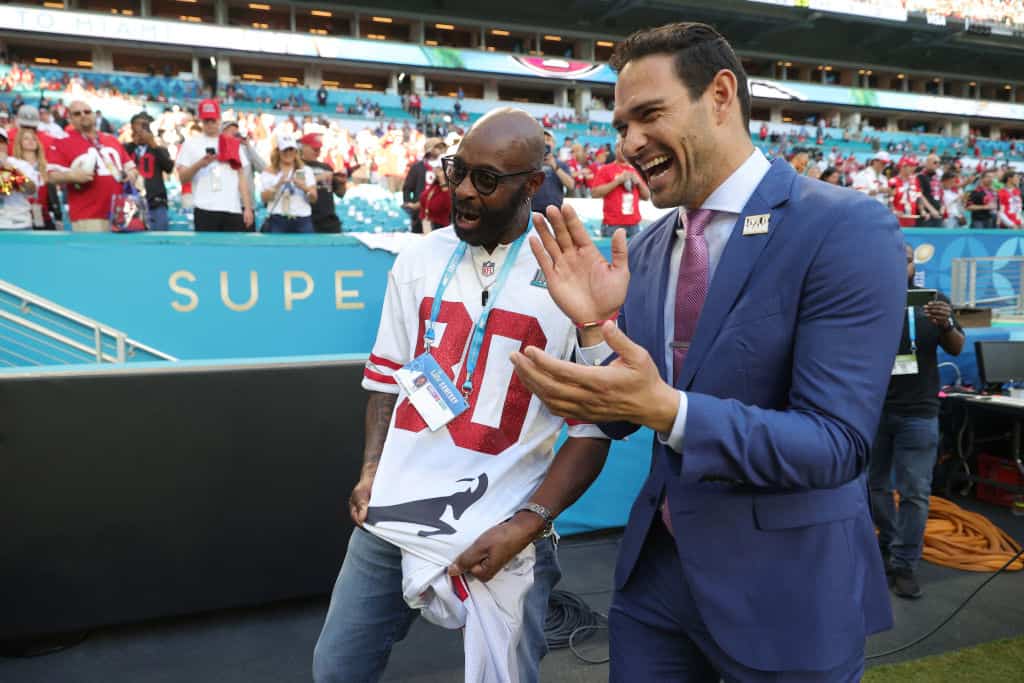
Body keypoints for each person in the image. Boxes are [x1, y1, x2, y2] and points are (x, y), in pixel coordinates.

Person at [510, 22, 905, 681]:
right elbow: (621, 409)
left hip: (789, 591)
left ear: (721, 95)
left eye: (648, 114)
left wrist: (670, 410)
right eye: (620, 125)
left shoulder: (845, 227)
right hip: (657, 583)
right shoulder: (645, 247)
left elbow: (836, 443)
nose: (629, 142)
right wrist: (593, 330)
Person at [312, 108, 610, 683]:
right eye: (458, 172)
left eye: (488, 180)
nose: (465, 192)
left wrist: (527, 523)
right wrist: (372, 467)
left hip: (502, 519)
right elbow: (385, 380)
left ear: (531, 185)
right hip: (395, 510)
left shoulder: (570, 275)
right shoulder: (419, 259)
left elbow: (595, 430)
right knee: (336, 667)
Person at [869, 244, 964, 599]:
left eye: (907, 260)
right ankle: (887, 547)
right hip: (874, 410)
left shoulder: (934, 301)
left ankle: (905, 564)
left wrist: (948, 323)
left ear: (914, 265)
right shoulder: (868, 295)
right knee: (874, 485)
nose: (901, 265)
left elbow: (956, 347)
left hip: (919, 412)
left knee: (915, 493)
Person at [46, 100, 139, 232]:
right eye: (77, 113)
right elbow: (50, 176)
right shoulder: (62, 142)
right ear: (70, 119)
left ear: (94, 115)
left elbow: (131, 168)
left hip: (121, 215)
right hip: (88, 216)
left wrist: (130, 175)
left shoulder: (111, 139)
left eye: (87, 112)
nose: (83, 115)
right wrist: (73, 176)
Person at [175, 99, 254, 232]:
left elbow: (242, 178)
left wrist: (247, 207)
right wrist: (200, 164)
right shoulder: (190, 144)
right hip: (205, 209)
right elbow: (183, 178)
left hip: (232, 208)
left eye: (213, 120)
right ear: (201, 120)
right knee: (205, 251)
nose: (210, 124)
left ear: (219, 119)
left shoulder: (232, 143)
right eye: (207, 121)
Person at [124, 112, 174, 232]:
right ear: (132, 128)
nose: (141, 130)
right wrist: (134, 142)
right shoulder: (125, 149)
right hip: (131, 205)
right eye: (138, 126)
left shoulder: (158, 149)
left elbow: (169, 167)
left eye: (144, 126)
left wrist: (153, 143)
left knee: (159, 242)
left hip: (156, 203)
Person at [258, 134, 316, 234]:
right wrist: (278, 185)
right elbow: (264, 198)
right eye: (285, 150)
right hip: (278, 218)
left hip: (302, 218)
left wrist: (304, 187)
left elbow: (314, 198)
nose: (288, 153)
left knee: (306, 248)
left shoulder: (305, 171)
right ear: (278, 152)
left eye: (291, 149)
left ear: (296, 151)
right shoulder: (269, 172)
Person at [590, 142, 649, 238]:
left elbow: (646, 196)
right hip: (612, 225)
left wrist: (638, 183)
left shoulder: (636, 170)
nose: (624, 151)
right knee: (612, 252)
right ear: (616, 149)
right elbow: (595, 193)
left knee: (635, 252)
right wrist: (617, 182)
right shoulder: (605, 169)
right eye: (621, 148)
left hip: (633, 224)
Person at [299, 132, 346, 234]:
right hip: (307, 218)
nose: (317, 152)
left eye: (319, 149)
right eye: (314, 149)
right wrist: (319, 177)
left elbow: (340, 193)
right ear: (304, 147)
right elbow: (298, 184)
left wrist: (341, 183)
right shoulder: (298, 166)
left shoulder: (326, 167)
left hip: (328, 217)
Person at [11, 126, 56, 230]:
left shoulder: (47, 166)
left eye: (34, 138)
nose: (31, 141)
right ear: (19, 143)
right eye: (26, 138)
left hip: (44, 217)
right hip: (19, 217)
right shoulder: (13, 164)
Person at [402, 137, 446, 233]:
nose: (441, 150)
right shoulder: (417, 168)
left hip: (440, 212)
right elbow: (408, 188)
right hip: (421, 211)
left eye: (442, 147)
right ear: (429, 150)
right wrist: (409, 204)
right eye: (437, 147)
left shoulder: (444, 167)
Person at [0, 128, 39, 230]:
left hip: (20, 223)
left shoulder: (21, 165)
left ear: (7, 143)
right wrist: (5, 170)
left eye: (1, 141)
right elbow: (4, 191)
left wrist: (14, 172)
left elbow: (31, 189)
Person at [529, 130, 575, 215]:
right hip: (532, 213)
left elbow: (571, 185)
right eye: (542, 139)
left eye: (548, 139)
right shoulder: (530, 163)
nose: (545, 142)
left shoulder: (561, 164)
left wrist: (555, 166)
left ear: (554, 144)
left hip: (555, 214)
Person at [417, 158, 451, 233]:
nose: (435, 171)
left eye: (438, 169)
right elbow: (425, 199)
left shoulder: (447, 188)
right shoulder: (435, 185)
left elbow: (448, 205)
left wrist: (442, 181)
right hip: (426, 224)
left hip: (439, 227)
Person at [890, 159, 920, 228]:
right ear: (902, 167)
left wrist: (922, 210)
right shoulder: (893, 181)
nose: (914, 168)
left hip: (911, 218)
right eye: (911, 166)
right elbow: (889, 200)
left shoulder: (915, 180)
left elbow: (919, 196)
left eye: (914, 166)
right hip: (897, 220)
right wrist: (895, 211)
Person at [915, 154, 943, 227]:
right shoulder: (920, 176)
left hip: (938, 214)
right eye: (935, 162)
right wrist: (931, 210)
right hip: (927, 215)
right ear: (927, 162)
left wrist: (942, 207)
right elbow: (920, 195)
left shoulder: (937, 176)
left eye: (939, 163)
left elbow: (940, 193)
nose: (937, 164)